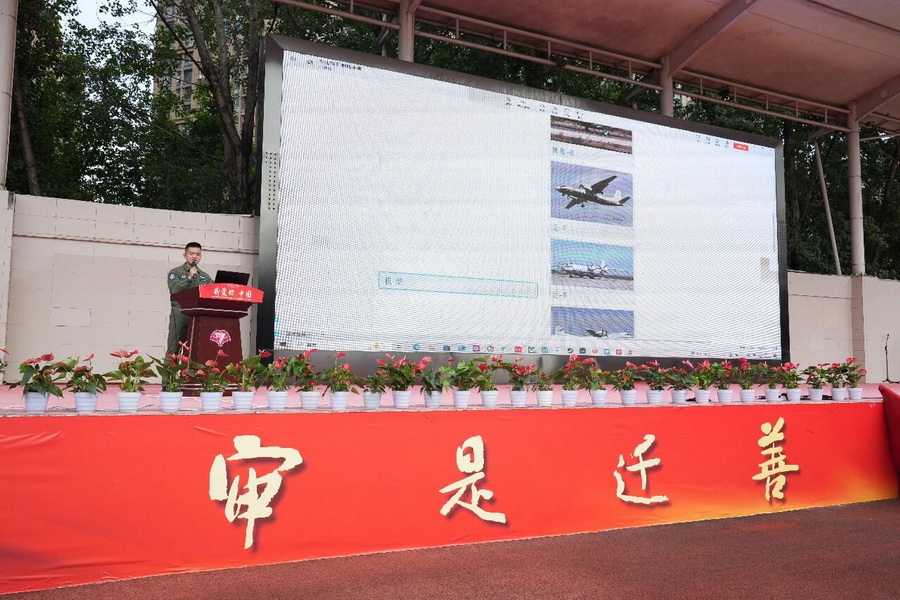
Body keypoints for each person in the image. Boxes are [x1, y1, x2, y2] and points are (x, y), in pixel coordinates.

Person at [166, 242, 212, 355]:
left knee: (193, 351)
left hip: (198, 315)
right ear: (185, 255)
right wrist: (189, 277)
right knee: (174, 350)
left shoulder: (205, 276)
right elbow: (174, 290)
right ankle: (169, 368)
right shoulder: (176, 272)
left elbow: (213, 291)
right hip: (180, 313)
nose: (194, 256)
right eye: (191, 254)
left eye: (197, 254)